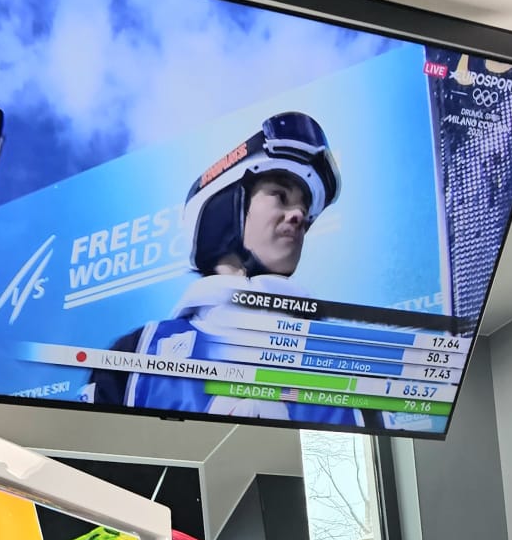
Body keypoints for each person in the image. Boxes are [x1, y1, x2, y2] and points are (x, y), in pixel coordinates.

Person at [89, 112, 365, 428]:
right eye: (281, 196)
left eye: (304, 209)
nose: (299, 216)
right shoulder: (136, 356)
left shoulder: (340, 363)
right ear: (225, 206)